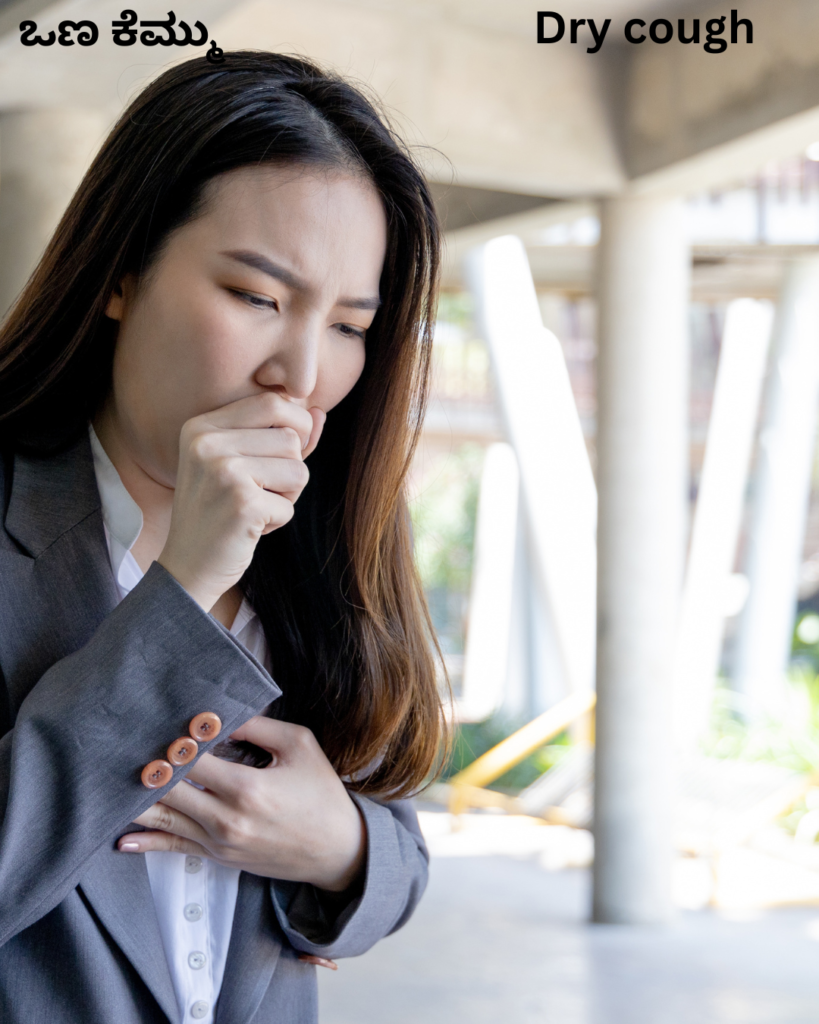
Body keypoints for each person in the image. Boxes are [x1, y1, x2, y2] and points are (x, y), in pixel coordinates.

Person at [0, 51, 447, 1024]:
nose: (302, 373)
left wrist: (341, 849)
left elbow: (399, 852)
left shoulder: (320, 542)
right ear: (122, 271)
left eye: (349, 326)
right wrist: (184, 587)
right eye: (257, 296)